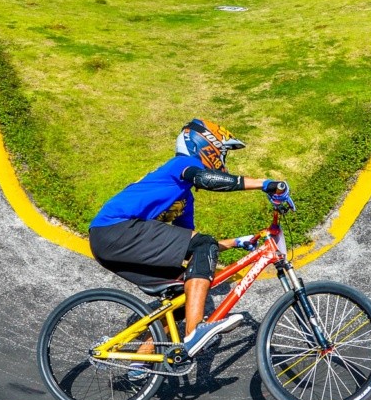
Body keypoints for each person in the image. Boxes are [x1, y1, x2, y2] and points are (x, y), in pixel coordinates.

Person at [88, 119, 294, 362]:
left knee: (180, 294)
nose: (222, 159)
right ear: (205, 145)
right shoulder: (182, 165)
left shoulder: (184, 199)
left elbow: (190, 243)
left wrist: (238, 242)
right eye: (221, 152)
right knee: (203, 245)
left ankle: (140, 361)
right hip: (116, 229)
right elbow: (206, 180)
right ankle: (195, 334)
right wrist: (266, 184)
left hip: (112, 242)